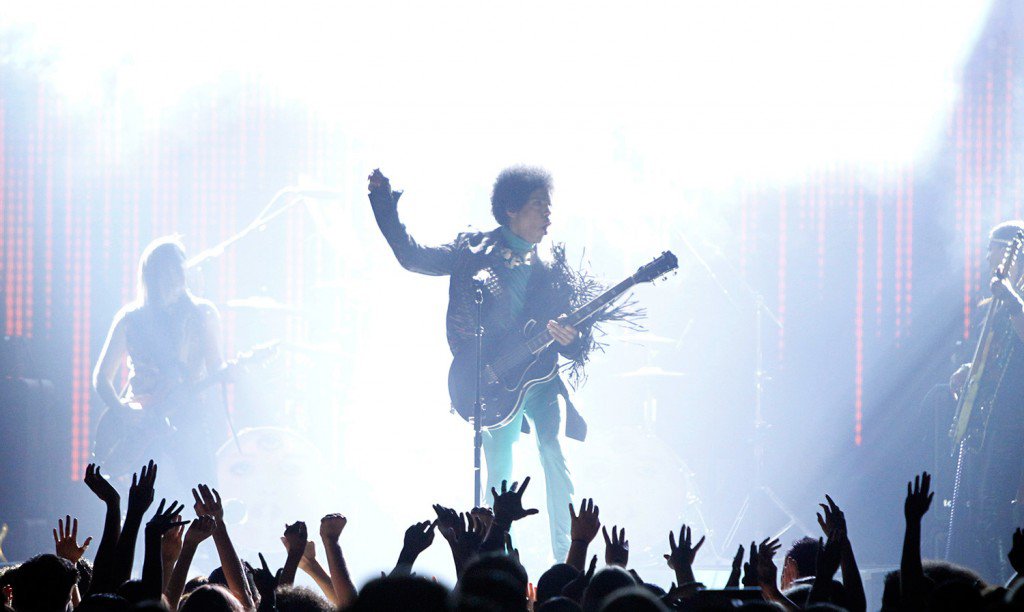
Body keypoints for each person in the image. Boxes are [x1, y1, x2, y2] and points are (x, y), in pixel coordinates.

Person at [367, 166, 590, 560]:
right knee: (500, 474)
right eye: (539, 205)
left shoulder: (550, 269)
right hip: (493, 380)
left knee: (553, 450)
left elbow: (575, 336)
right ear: (510, 210)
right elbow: (412, 257)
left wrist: (573, 340)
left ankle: (565, 564)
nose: (548, 215)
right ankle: (499, 565)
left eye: (548, 206)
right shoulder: (470, 250)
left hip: (541, 377)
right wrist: (384, 206)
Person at [92, 236, 225, 493]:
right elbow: (101, 376)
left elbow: (216, 369)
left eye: (176, 270)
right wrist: (122, 411)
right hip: (141, 424)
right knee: (139, 501)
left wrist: (229, 377)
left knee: (203, 497)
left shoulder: (202, 314)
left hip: (188, 419)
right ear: (150, 275)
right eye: (163, 271)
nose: (171, 277)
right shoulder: (131, 319)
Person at [947, 219, 1024, 582]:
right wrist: (969, 368)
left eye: (993, 248)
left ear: (1012, 251)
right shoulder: (994, 302)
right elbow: (995, 357)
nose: (987, 257)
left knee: (998, 512)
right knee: (981, 512)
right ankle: (996, 584)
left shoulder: (1014, 296)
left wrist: (1009, 295)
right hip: (992, 420)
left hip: (1016, 420)